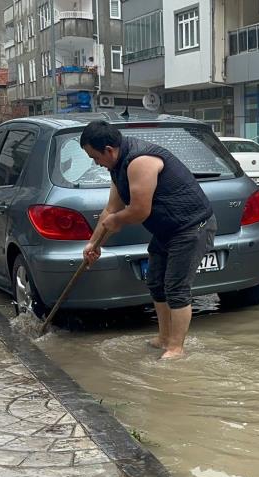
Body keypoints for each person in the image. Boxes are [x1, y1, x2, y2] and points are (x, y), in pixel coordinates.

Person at [80, 120, 217, 360]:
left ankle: (176, 348)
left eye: (95, 157)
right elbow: (111, 208)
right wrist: (94, 244)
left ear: (109, 150)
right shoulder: (117, 166)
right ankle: (164, 338)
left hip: (192, 228)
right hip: (167, 231)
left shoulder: (140, 161)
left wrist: (117, 221)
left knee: (176, 289)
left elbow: (139, 211)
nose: (96, 163)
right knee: (155, 282)